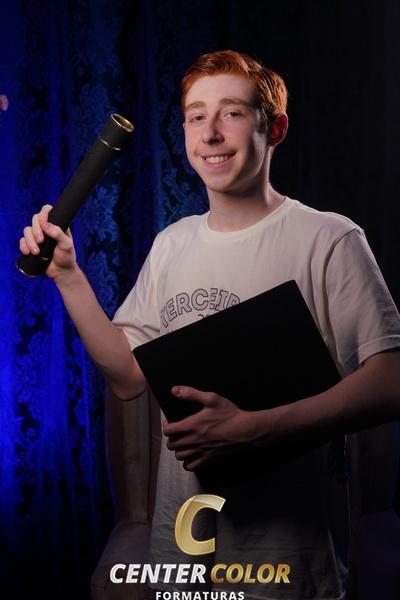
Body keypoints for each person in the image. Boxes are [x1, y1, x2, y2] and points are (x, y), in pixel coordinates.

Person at [20, 50, 400, 599]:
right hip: (185, 552)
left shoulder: (330, 239)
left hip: (288, 564)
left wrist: (255, 427)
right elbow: (127, 377)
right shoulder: (172, 244)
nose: (211, 133)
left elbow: (390, 381)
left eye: (232, 113)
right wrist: (69, 276)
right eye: (196, 116)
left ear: (275, 129)